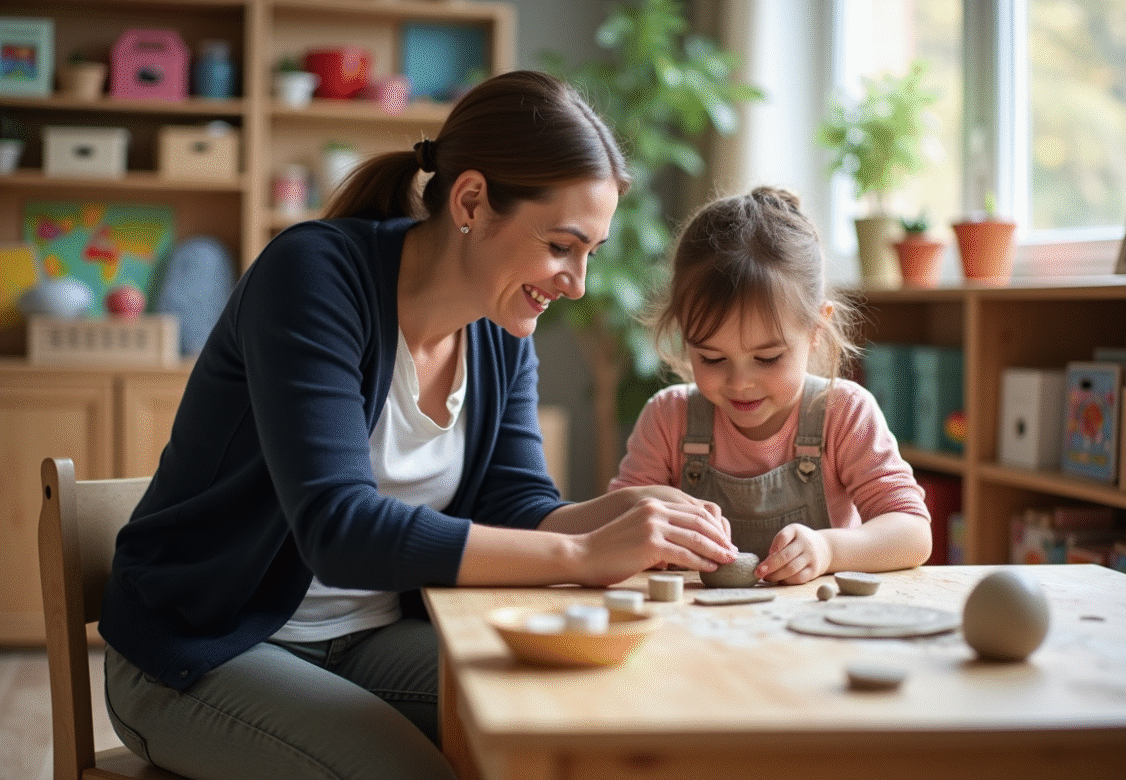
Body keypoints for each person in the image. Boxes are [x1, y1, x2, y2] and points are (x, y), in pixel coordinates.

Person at [99, 70, 736, 780]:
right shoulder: (314, 277)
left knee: (597, 718)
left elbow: (515, 508)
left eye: (591, 252)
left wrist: (614, 515)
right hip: (203, 650)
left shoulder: (500, 334)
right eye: (561, 246)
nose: (577, 282)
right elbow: (338, 528)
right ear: (471, 200)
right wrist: (583, 555)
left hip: (365, 646)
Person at [609, 186, 932, 585]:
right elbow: (614, 529)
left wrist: (829, 549)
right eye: (711, 358)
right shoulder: (668, 419)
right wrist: (654, 542)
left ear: (816, 328)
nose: (740, 383)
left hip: (810, 633)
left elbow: (913, 533)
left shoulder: (842, 413)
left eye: (767, 358)